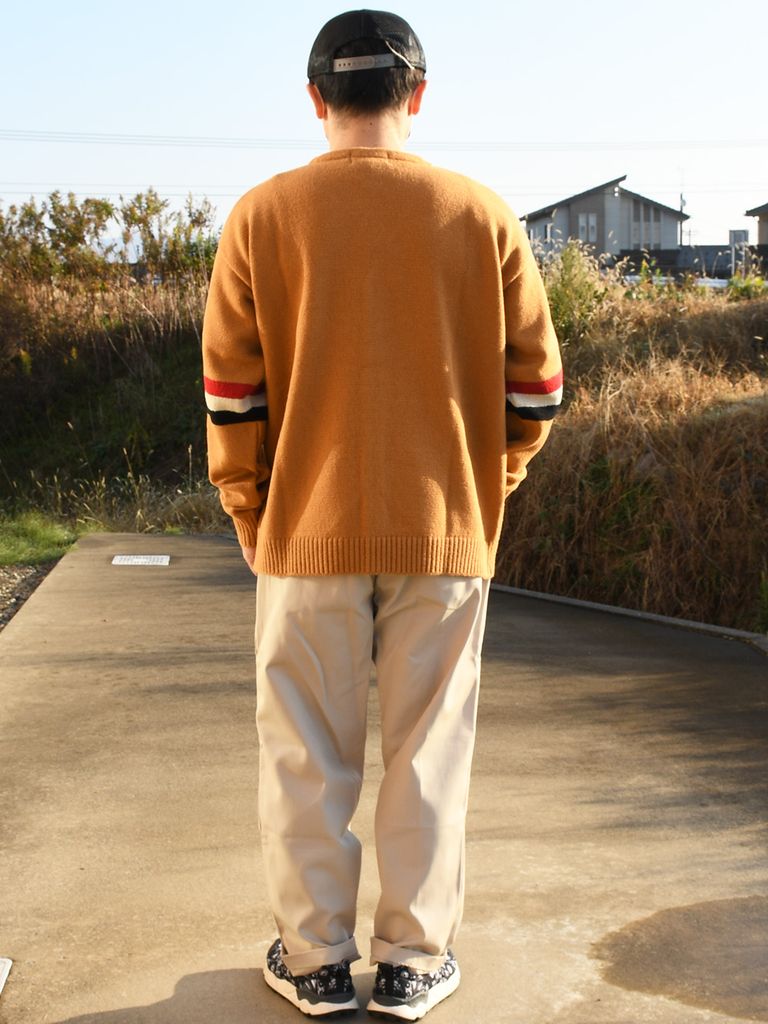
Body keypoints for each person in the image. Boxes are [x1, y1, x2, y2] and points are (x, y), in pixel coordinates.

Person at [202, 9, 562, 1019]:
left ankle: (315, 961)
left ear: (315, 98)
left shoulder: (262, 216)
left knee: (303, 754)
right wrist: (486, 487)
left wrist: (249, 509)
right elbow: (537, 390)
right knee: (429, 750)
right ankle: (412, 962)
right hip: (444, 530)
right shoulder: (482, 216)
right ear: (419, 93)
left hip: (302, 532)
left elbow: (232, 392)